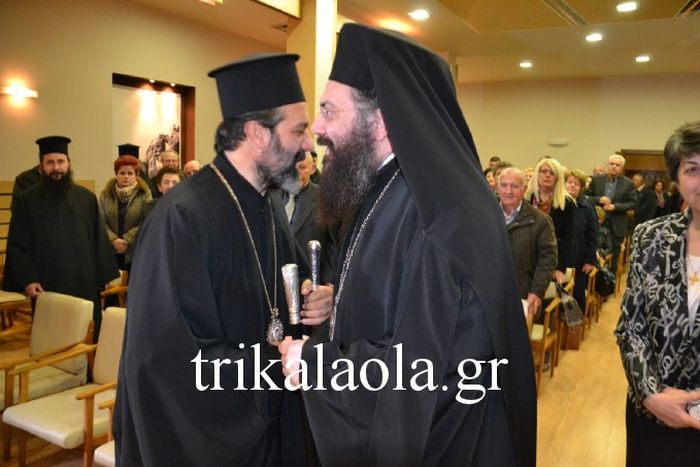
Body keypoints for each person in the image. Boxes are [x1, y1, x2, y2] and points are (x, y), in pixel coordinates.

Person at [279, 24, 536, 467]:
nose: (317, 129)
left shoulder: (442, 211)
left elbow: (433, 361)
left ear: (380, 121)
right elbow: (397, 300)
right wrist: (338, 301)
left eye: (329, 111)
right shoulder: (385, 185)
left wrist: (315, 362)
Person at [114, 54, 333, 466]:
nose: (308, 144)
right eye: (298, 130)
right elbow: (168, 360)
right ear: (257, 134)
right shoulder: (182, 217)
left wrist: (316, 300)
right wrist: (272, 364)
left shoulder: (268, 204)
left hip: (272, 416)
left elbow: (290, 292)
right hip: (213, 435)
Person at [615, 120, 700, 467]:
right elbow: (630, 327)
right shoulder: (650, 237)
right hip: (652, 413)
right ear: (676, 179)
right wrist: (651, 395)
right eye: (692, 169)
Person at [3, 136, 119, 335]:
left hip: (83, 278)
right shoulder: (26, 200)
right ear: (41, 166)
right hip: (47, 283)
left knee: (88, 332)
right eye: (50, 162)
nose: (56, 167)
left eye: (60, 161)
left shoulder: (86, 198)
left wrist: (104, 274)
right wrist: (29, 279)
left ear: (68, 163)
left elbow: (99, 238)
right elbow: (17, 244)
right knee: (52, 336)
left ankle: (89, 357)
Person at [499, 167, 557, 317]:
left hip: (522, 294)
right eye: (504, 185)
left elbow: (548, 259)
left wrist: (537, 291)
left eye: (514, 186)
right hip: (489, 293)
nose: (508, 191)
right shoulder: (486, 215)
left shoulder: (540, 221)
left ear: (524, 189)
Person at [272, 151, 337, 283]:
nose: (296, 173)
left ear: (312, 169)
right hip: (277, 280)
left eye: (302, 167)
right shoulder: (273, 196)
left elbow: (334, 243)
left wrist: (329, 282)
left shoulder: (325, 197)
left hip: (311, 281)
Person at [525, 157, 576, 283]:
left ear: (557, 178)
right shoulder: (527, 198)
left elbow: (568, 238)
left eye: (552, 173)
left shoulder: (566, 203)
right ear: (537, 174)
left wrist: (560, 268)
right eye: (544, 171)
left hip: (551, 259)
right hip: (526, 257)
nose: (547, 175)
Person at [99, 155, 152, 270]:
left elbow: (146, 220)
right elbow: (100, 220)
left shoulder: (145, 193)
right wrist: (114, 240)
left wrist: (127, 240)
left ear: (136, 175)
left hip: (135, 250)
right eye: (122, 173)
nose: (126, 177)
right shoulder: (106, 194)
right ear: (116, 174)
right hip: (110, 250)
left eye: (130, 173)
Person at [587, 154, 637, 273]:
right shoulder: (597, 180)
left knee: (613, 260)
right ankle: (593, 283)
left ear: (622, 168)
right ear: (608, 165)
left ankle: (610, 282)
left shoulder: (628, 183)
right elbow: (586, 197)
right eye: (611, 164)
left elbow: (633, 203)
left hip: (616, 226)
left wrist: (615, 207)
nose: (614, 166)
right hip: (596, 225)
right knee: (592, 256)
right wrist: (599, 199)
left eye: (617, 165)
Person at [565, 169, 598, 311]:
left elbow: (592, 234)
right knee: (560, 293)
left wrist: (590, 260)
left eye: (576, 184)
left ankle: (574, 320)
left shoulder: (587, 206)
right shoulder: (557, 203)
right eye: (569, 182)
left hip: (578, 258)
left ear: (582, 188)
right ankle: (559, 320)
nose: (572, 185)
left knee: (576, 293)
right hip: (560, 257)